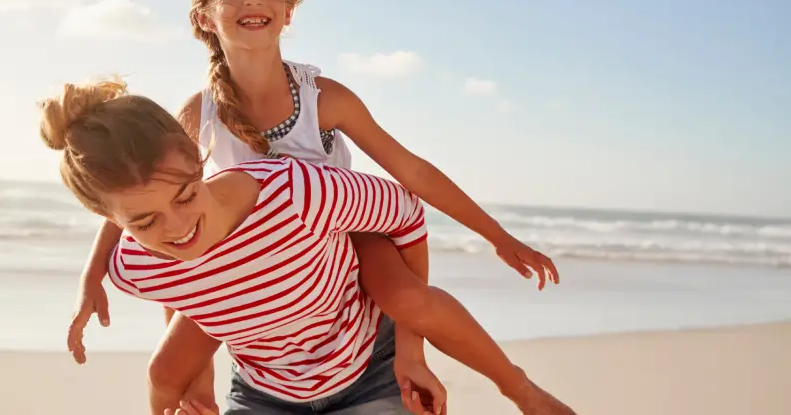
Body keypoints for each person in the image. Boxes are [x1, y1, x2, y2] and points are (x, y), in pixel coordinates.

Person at [41, 77, 573, 415]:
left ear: (197, 156)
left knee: (408, 299)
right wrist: (193, 377)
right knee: (163, 373)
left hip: (342, 290)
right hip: (264, 385)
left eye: (184, 197)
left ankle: (521, 391)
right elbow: (183, 286)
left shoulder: (301, 178)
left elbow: (408, 201)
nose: (178, 228)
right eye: (144, 222)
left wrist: (412, 344)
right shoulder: (135, 265)